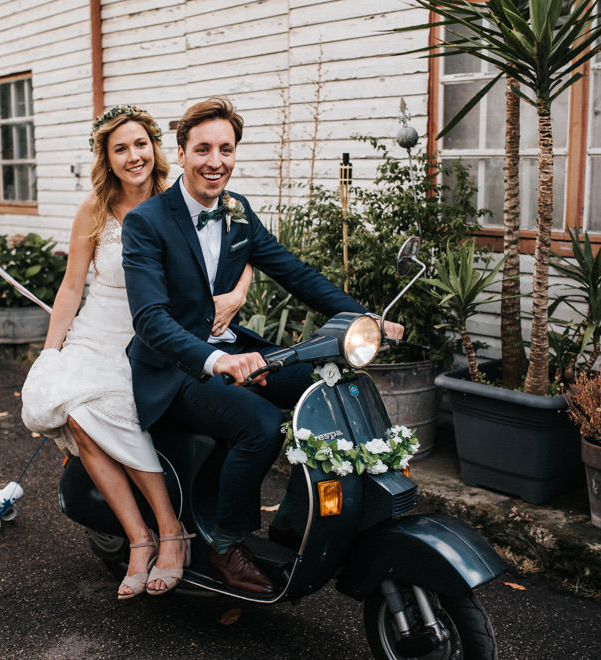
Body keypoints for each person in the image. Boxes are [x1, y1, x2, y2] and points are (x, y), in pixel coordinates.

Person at [122, 96, 404, 595]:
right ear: (182, 153)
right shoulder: (148, 222)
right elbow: (149, 320)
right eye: (203, 149)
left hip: (233, 350)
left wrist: (364, 318)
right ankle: (226, 545)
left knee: (329, 386)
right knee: (259, 425)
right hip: (175, 367)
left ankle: (300, 521)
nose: (216, 161)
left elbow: (294, 272)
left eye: (225, 149)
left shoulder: (237, 211)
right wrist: (217, 359)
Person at [21, 105, 253, 600]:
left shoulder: (179, 201)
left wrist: (235, 295)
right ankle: (141, 537)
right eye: (120, 148)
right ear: (107, 157)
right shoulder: (95, 209)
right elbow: (71, 286)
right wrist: (51, 350)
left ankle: (171, 530)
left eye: (140, 144)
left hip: (151, 335)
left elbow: (239, 247)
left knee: (114, 413)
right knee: (77, 416)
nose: (133, 156)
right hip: (95, 330)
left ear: (156, 147)